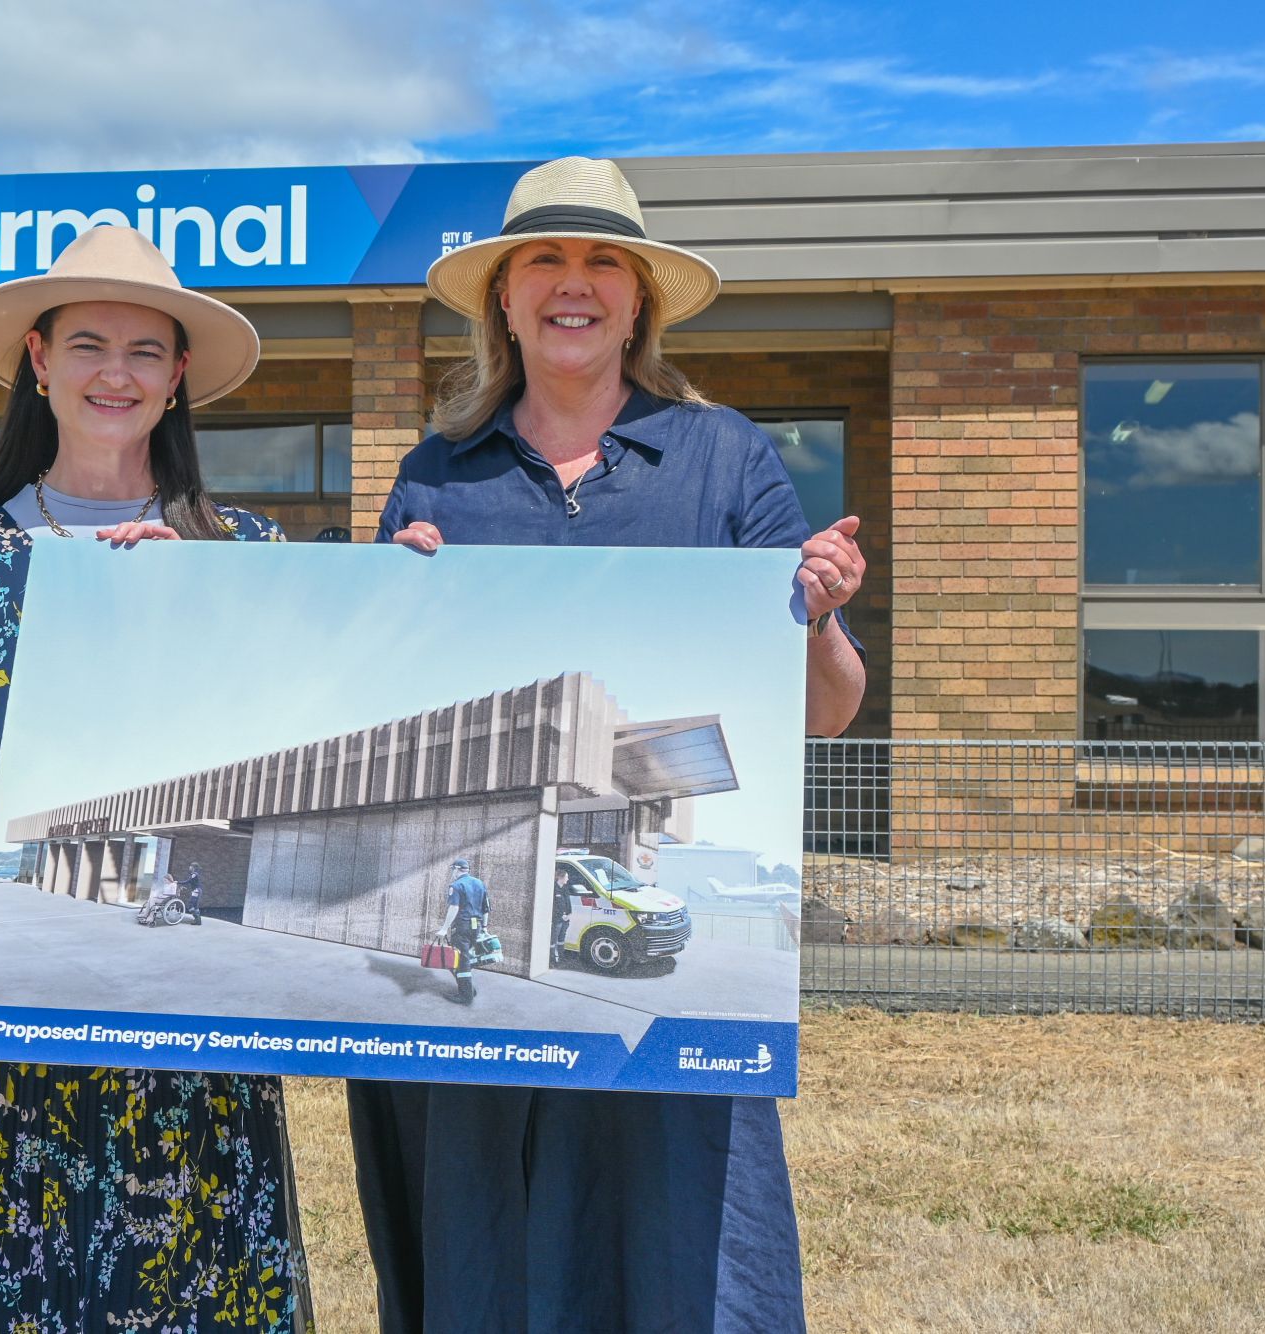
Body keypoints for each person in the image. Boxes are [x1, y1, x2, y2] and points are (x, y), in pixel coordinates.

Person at [349, 157, 867, 1334]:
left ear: (637, 301)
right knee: (477, 1233)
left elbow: (826, 708)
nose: (571, 285)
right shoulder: (437, 470)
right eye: (544, 259)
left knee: (674, 1242)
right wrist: (391, 603)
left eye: (600, 265)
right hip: (475, 1001)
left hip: (661, 1032)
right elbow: (385, 683)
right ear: (504, 297)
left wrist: (822, 612)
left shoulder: (723, 454)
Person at [0, 224, 307, 1332]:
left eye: (146, 351)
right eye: (91, 344)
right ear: (39, 362)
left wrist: (416, 583)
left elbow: (317, 722)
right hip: (17, 1023)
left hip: (197, 1022)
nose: (117, 372)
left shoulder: (249, 555)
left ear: (177, 378)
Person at [434, 857, 490, 1002]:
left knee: (459, 960)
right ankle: (468, 989)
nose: (452, 872)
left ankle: (466, 996)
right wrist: (484, 927)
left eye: (453, 869)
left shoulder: (456, 885)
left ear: (457, 869)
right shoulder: (479, 883)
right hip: (476, 926)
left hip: (461, 927)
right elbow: (486, 908)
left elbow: (454, 907)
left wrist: (444, 928)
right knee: (464, 959)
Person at [177, 859, 205, 924]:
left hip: (196, 891)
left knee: (190, 905)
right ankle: (198, 920)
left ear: (193, 868)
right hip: (197, 891)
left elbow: (188, 881)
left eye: (191, 866)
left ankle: (197, 920)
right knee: (195, 906)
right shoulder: (194, 874)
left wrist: (178, 882)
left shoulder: (194, 874)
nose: (189, 867)